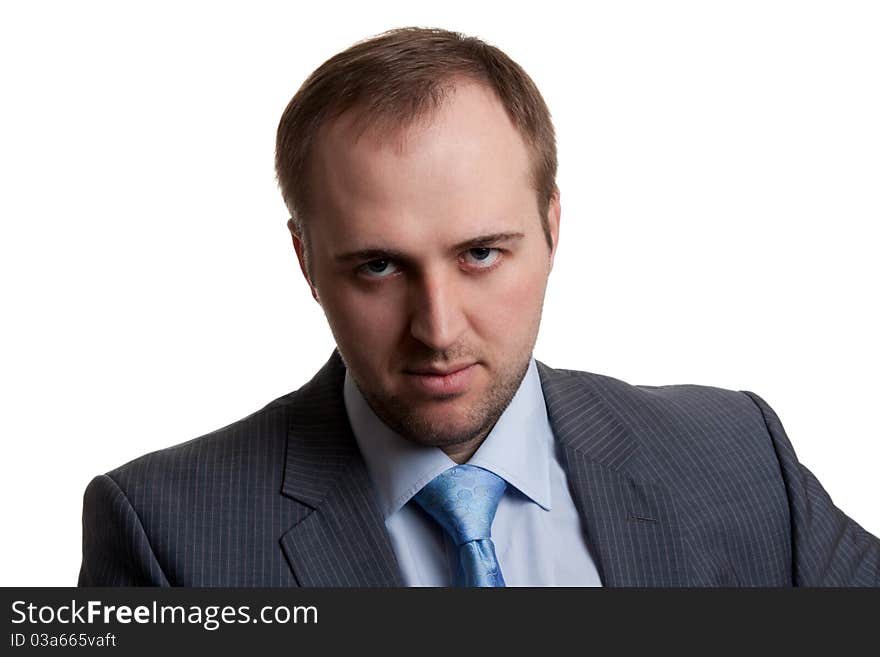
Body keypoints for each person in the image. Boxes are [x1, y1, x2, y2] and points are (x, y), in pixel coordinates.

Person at [78, 27, 879, 587]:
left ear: (552, 226)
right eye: (379, 266)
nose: (439, 329)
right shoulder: (167, 535)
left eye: (481, 254)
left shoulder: (737, 458)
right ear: (306, 262)